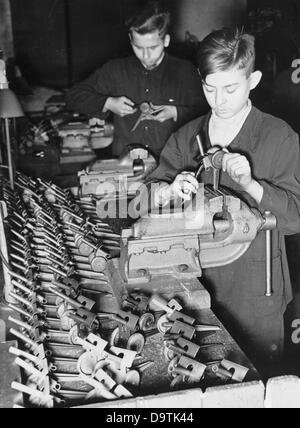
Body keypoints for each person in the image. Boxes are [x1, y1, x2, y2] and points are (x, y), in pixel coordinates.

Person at [142, 27, 300, 378]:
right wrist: (167, 191)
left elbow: (295, 218)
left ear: (253, 79)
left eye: (231, 88)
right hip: (192, 286)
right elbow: (145, 198)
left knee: (255, 384)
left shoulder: (279, 137)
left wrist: (252, 185)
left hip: (255, 293)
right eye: (209, 88)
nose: (219, 100)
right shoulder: (187, 136)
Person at [66, 1, 208, 158]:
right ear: (130, 39)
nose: (146, 56)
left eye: (153, 48)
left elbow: (206, 111)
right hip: (125, 165)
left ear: (166, 41)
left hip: (172, 163)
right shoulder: (115, 70)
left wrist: (176, 112)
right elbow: (73, 96)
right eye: (139, 48)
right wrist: (108, 103)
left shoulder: (184, 71)